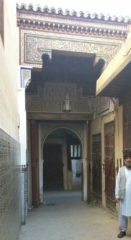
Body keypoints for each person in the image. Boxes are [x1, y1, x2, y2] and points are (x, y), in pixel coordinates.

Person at [115, 152, 131, 238]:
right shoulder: (121, 170)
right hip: (123, 197)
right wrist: (117, 195)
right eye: (127, 158)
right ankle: (123, 230)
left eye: (130, 158)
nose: (129, 159)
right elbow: (117, 183)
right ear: (124, 160)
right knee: (122, 215)